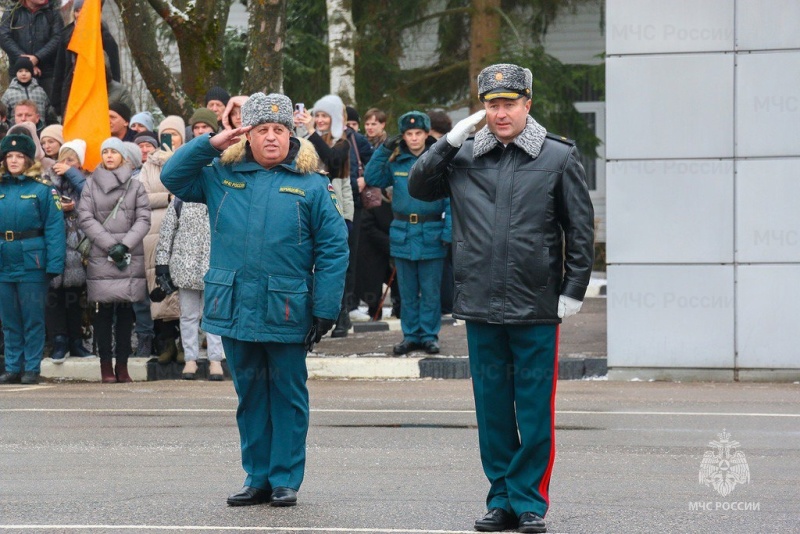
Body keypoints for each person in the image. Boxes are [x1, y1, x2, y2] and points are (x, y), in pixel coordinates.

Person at [408, 63, 595, 533]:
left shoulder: (556, 156)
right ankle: (501, 499)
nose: (501, 112)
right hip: (480, 302)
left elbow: (580, 229)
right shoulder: (464, 155)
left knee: (533, 410)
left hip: (536, 305)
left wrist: (572, 289)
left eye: (510, 103)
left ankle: (529, 501)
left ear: (527, 104)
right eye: (492, 104)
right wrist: (450, 140)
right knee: (492, 409)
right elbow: (418, 186)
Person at [161, 92, 349, 508]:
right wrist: (210, 141)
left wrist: (324, 308)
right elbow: (171, 177)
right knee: (250, 396)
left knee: (287, 395)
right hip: (235, 305)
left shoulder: (312, 186)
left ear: (290, 135)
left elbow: (335, 249)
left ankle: (285, 479)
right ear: (247, 136)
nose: (270, 138)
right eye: (261, 130)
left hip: (286, 308)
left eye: (278, 130)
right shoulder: (219, 175)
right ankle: (257, 477)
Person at [364, 111, 449, 355]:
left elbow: (450, 200)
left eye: (418, 133)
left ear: (426, 134)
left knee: (431, 291)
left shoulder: (437, 162)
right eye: (409, 134)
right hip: (403, 232)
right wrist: (383, 149)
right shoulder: (396, 163)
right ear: (403, 137)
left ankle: (430, 336)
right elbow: (371, 177)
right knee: (408, 291)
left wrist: (449, 232)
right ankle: (410, 336)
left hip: (432, 232)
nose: (414, 138)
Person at [78, 137, 151, 383]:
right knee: (103, 314)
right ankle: (105, 366)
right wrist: (111, 246)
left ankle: (123, 366)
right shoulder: (90, 185)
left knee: (125, 314)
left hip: (129, 258)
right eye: (105, 151)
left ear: (123, 156)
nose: (109, 155)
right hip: (102, 257)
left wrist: (125, 245)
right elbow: (86, 218)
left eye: (114, 152)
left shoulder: (135, 186)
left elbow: (143, 219)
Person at [0, 133, 65, 384]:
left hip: (32, 263)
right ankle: (13, 366)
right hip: (4, 260)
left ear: (29, 160)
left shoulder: (43, 190)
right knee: (9, 319)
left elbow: (54, 229)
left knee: (32, 318)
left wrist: (55, 264)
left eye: (19, 156)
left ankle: (31, 367)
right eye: (9, 156)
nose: (13, 160)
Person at [295, 94, 354, 336]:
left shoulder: (343, 143)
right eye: (316, 115)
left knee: (334, 264)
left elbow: (330, 160)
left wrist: (311, 133)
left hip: (337, 209)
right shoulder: (305, 138)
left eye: (324, 116)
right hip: (307, 209)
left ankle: (342, 313)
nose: (319, 120)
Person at [155, 195, 226, 381]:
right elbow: (167, 232)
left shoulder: (221, 196)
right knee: (188, 315)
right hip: (185, 267)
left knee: (215, 316)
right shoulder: (180, 199)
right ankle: (190, 359)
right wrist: (162, 265)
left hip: (215, 267)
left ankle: (216, 359)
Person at [139, 115, 184, 363]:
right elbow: (141, 196)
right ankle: (166, 343)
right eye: (165, 133)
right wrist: (167, 198)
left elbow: (193, 188)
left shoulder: (188, 159)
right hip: (155, 231)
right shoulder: (149, 164)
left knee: (185, 285)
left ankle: (185, 342)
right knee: (160, 285)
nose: (170, 138)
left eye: (174, 134)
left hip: (185, 228)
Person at [44, 138, 92, 361]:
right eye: (62, 159)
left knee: (74, 300)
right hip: (54, 249)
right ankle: (59, 343)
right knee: (54, 300)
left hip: (77, 252)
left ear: (80, 164)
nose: (65, 164)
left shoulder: (86, 181)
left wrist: (72, 174)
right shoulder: (47, 180)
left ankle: (77, 342)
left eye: (71, 160)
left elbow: (91, 197)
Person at [0, 0, 64, 101]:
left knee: (49, 111)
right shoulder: (12, 12)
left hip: (47, 73)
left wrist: (38, 57)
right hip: (18, 73)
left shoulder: (53, 12)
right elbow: (4, 37)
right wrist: (26, 62)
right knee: (20, 111)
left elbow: (58, 38)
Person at [2, 57, 51, 124]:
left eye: (27, 71)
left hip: (39, 130)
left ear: (31, 73)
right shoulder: (9, 93)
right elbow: (3, 113)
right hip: (16, 130)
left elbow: (49, 112)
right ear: (16, 73)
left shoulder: (40, 91)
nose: (23, 74)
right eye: (20, 71)